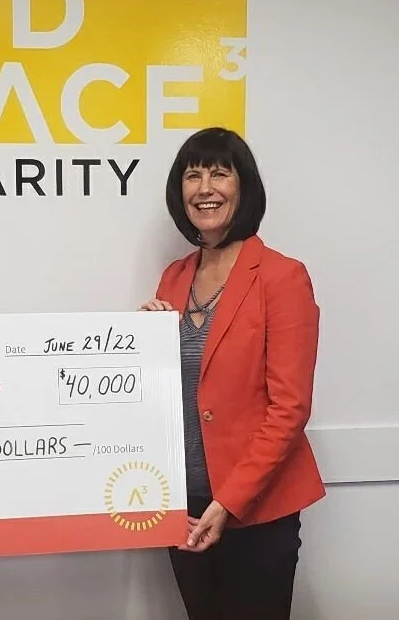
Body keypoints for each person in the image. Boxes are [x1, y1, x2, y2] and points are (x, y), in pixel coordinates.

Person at [140, 127, 325, 619]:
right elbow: (168, 392)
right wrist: (143, 343)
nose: (205, 188)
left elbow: (290, 408)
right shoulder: (174, 278)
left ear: (244, 188)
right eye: (193, 176)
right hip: (185, 504)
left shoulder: (283, 277)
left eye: (220, 174)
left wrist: (228, 502)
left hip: (257, 511)